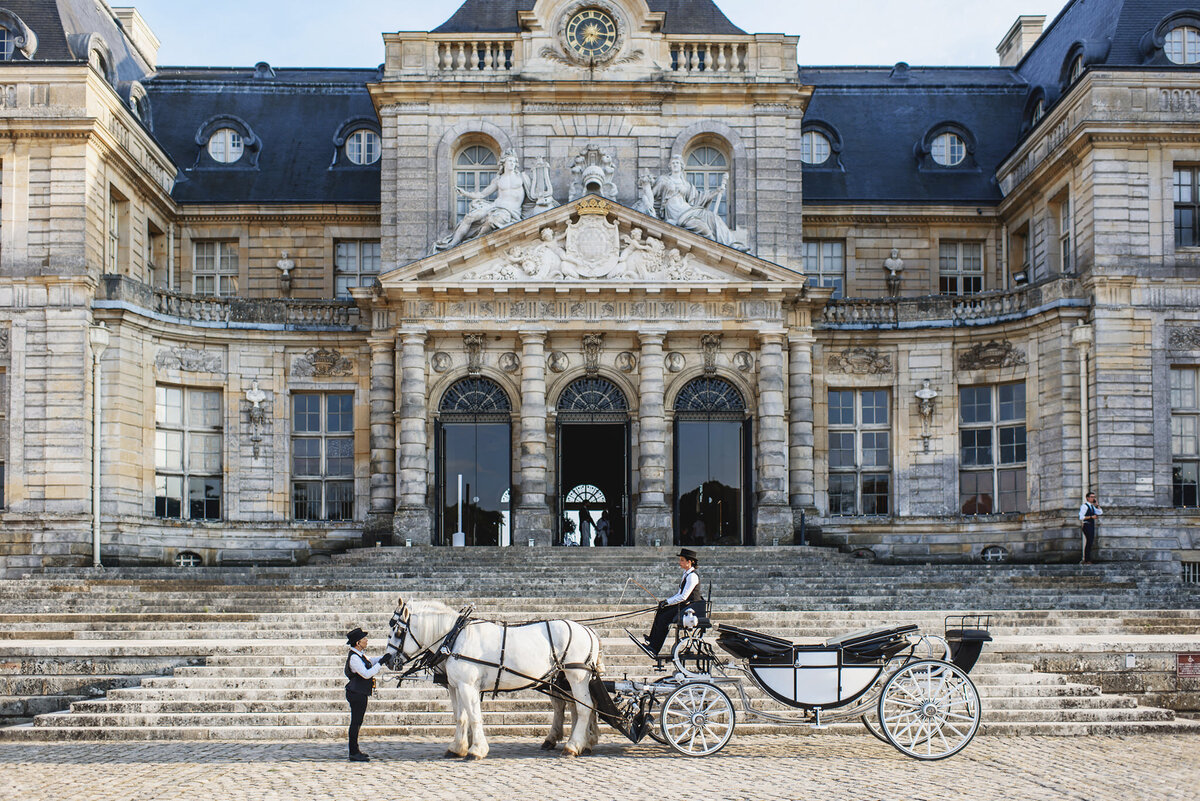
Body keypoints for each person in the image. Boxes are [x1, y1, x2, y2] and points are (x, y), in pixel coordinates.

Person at [643, 549, 703, 656]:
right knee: (661, 611)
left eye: (682, 560)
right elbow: (679, 593)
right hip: (685, 605)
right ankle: (652, 639)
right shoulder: (686, 574)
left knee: (664, 618)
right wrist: (666, 602)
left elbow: (684, 596)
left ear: (690, 562)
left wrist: (668, 602)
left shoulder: (692, 576)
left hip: (690, 608)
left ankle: (655, 648)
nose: (680, 563)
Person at [344, 626, 387, 761]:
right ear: (358, 643)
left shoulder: (360, 655)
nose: (366, 640)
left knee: (358, 721)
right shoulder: (354, 658)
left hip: (360, 692)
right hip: (356, 693)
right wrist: (380, 663)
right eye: (364, 639)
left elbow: (371, 661)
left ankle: (355, 750)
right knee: (355, 722)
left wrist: (384, 658)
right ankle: (353, 752)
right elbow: (366, 674)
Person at [1078, 491, 1103, 565]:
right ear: (1087, 498)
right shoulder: (1084, 506)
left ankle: (1087, 558)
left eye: (1094, 497)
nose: (1093, 498)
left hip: (1091, 525)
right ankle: (1086, 559)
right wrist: (1091, 517)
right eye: (1092, 497)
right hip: (1086, 525)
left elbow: (1100, 512)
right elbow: (1081, 517)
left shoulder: (1092, 507)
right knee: (1089, 541)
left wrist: (1097, 505)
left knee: (1090, 542)